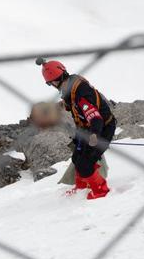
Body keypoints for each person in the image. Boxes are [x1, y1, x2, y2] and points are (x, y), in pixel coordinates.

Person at [36, 57, 116, 199]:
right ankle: (81, 188)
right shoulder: (70, 86)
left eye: (50, 83)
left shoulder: (80, 93)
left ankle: (100, 191)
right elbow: (71, 106)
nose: (52, 86)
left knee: (86, 164)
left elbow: (95, 118)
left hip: (101, 128)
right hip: (86, 129)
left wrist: (94, 135)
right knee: (76, 158)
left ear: (56, 80)